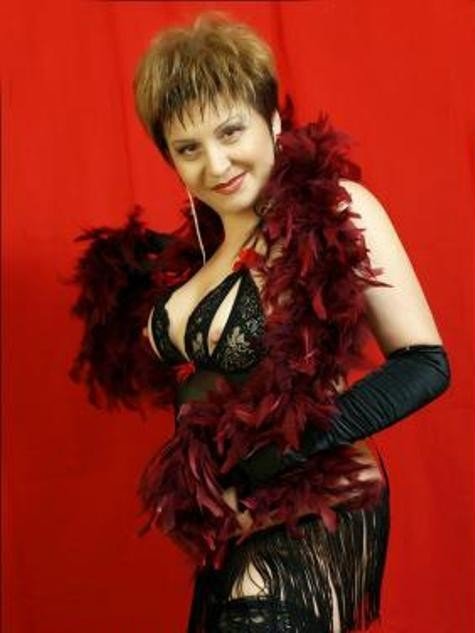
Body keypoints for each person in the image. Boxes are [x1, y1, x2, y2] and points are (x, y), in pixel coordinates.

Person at [69, 13, 451, 633]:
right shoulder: (196, 260)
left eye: (230, 131)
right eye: (188, 149)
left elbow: (425, 364)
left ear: (272, 120)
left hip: (313, 506)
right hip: (232, 533)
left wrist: (278, 454)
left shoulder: (334, 211)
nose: (216, 163)